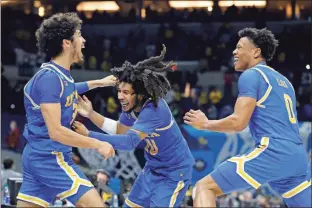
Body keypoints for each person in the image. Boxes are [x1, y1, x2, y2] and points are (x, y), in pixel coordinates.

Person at [184, 28, 311, 207]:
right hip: (297, 156)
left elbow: (238, 122)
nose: (234, 52)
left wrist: (205, 123)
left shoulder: (252, 75)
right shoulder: (285, 82)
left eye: (239, 47)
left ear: (256, 52)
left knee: (203, 187)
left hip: (274, 151)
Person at [73, 45, 195, 207]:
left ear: (140, 94)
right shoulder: (130, 109)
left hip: (174, 173)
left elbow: (129, 142)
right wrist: (91, 114)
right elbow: (119, 131)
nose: (120, 96)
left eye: (125, 92)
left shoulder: (155, 109)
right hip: (152, 169)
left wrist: (89, 135)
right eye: (119, 91)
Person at [16, 13, 115, 208]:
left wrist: (99, 82)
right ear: (66, 43)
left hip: (38, 154)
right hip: (51, 157)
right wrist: (97, 144)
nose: (83, 40)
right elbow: (56, 132)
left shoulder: (59, 76)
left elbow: (69, 90)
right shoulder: (50, 79)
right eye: (79, 35)